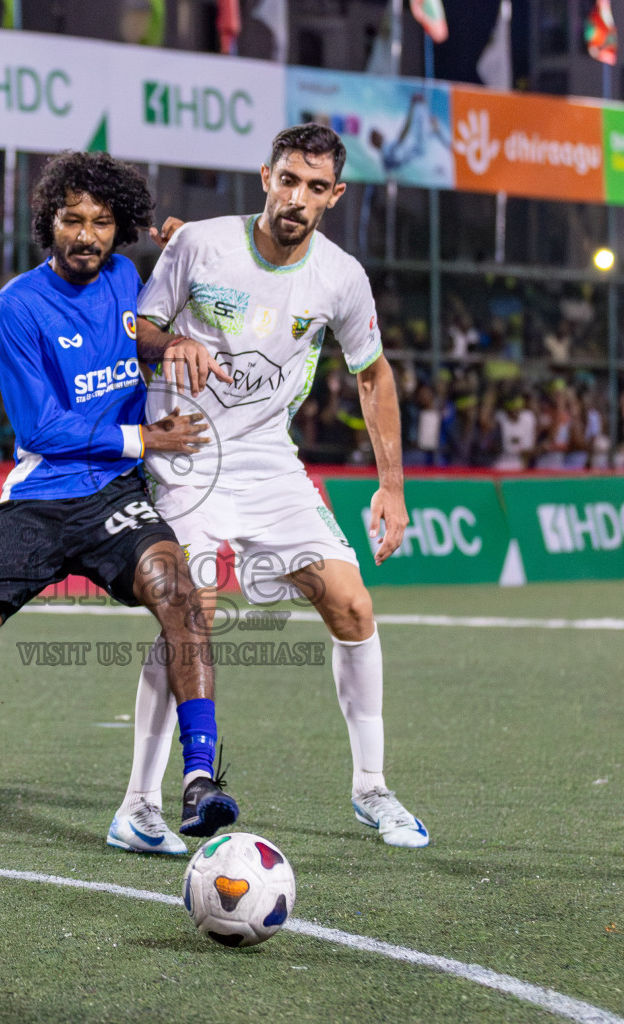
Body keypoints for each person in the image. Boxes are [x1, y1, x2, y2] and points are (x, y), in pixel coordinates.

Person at [0, 151, 240, 843]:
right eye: (72, 220)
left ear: (118, 227)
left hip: (113, 498)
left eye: (100, 222)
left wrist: (189, 256)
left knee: (182, 598)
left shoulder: (127, 275)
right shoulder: (16, 307)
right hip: (40, 498)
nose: (86, 235)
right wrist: (144, 440)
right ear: (48, 223)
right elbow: (43, 428)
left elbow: (157, 327)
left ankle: (201, 780)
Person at [109, 123, 426, 855]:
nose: (298, 197)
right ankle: (138, 806)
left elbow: (372, 375)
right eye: (288, 179)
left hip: (267, 459)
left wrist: (391, 486)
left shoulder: (341, 277)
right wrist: (173, 343)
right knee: (190, 613)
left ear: (335, 196)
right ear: (265, 177)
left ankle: (372, 789)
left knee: (352, 603)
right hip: (186, 452)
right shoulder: (201, 245)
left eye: (316, 187)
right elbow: (140, 328)